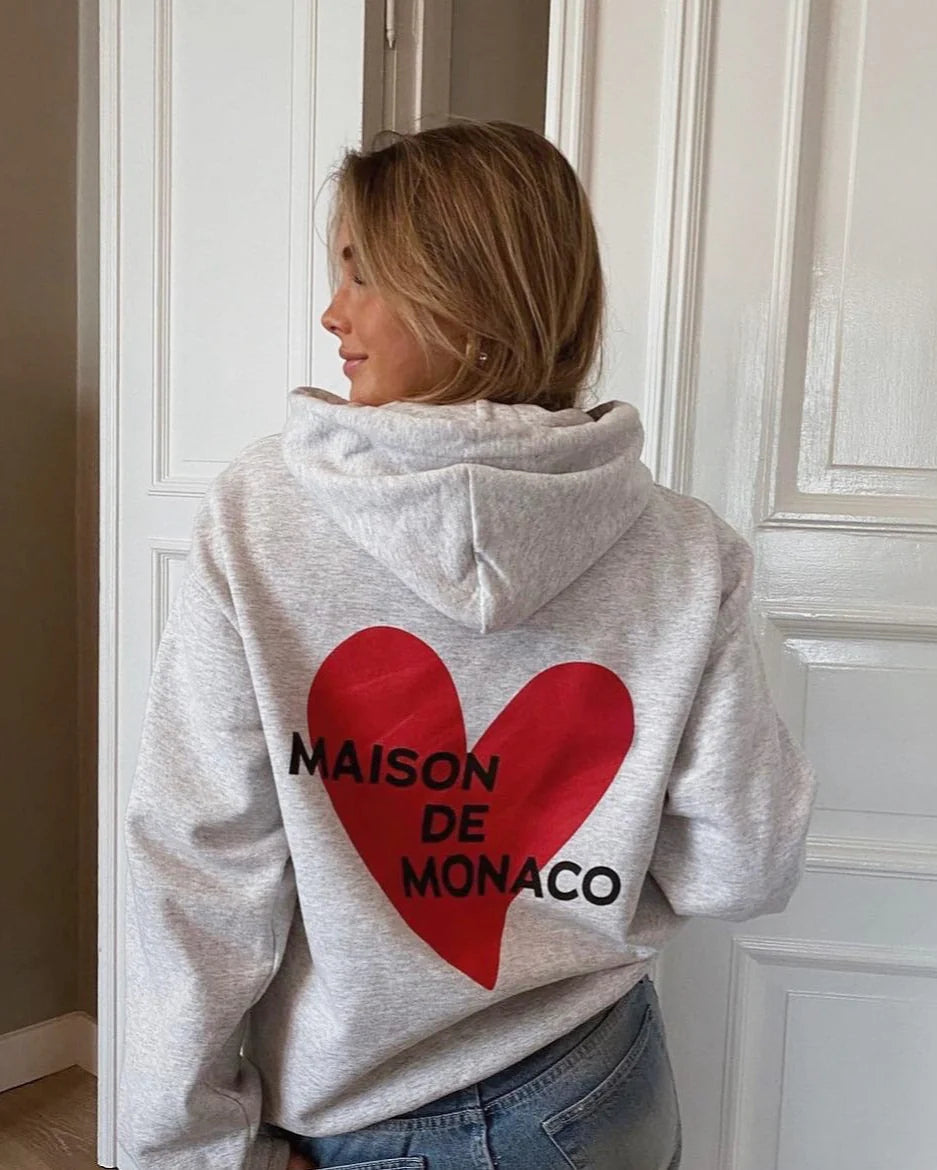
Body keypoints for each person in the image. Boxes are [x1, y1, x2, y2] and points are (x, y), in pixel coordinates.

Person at [117, 120, 818, 1170]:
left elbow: (200, 868)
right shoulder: (681, 548)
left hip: (369, 1111)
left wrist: (189, 1148)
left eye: (363, 274)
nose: (332, 312)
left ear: (465, 298)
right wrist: (576, 862)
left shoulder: (260, 519)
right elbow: (742, 866)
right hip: (596, 1081)